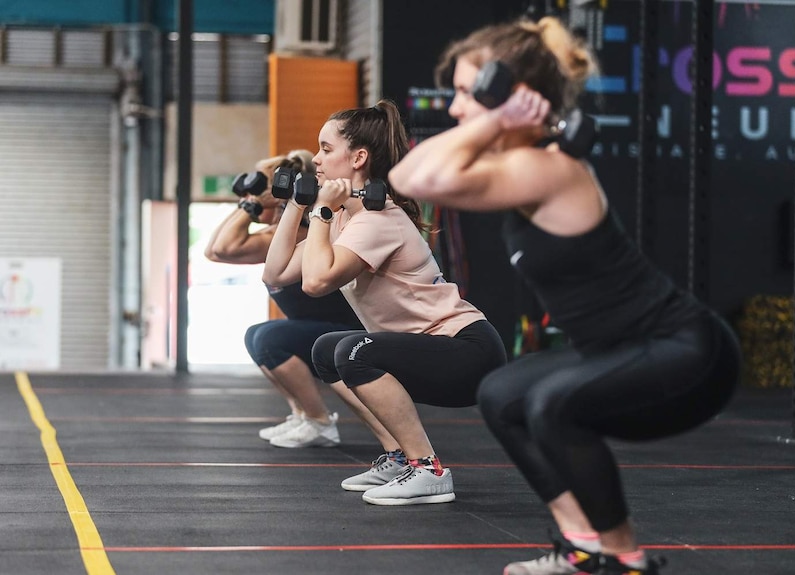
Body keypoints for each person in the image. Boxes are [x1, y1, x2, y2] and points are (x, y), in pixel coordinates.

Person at [390, 16, 741, 575]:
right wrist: (496, 121)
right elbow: (417, 174)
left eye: (465, 92)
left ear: (504, 92)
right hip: (624, 349)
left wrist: (497, 119)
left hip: (687, 351)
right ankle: (583, 546)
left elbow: (414, 178)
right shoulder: (527, 161)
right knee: (503, 393)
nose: (456, 109)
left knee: (552, 404)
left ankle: (624, 558)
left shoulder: (546, 167)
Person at [262, 99, 508, 505]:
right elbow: (275, 274)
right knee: (325, 350)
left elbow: (316, 282)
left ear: (358, 158)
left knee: (353, 350)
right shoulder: (343, 219)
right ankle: (398, 457)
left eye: (326, 149)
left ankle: (428, 469)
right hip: (429, 351)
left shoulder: (377, 221)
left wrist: (321, 211)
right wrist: (297, 204)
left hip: (466, 350)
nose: (318, 161)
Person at [204, 150, 365, 448]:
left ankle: (320, 422)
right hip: (319, 330)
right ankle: (303, 415)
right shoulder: (274, 233)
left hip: (345, 333)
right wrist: (250, 201)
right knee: (256, 336)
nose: (256, 191)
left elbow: (225, 248)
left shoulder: (300, 234)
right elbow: (212, 251)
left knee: (268, 338)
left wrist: (252, 204)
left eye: (264, 184)